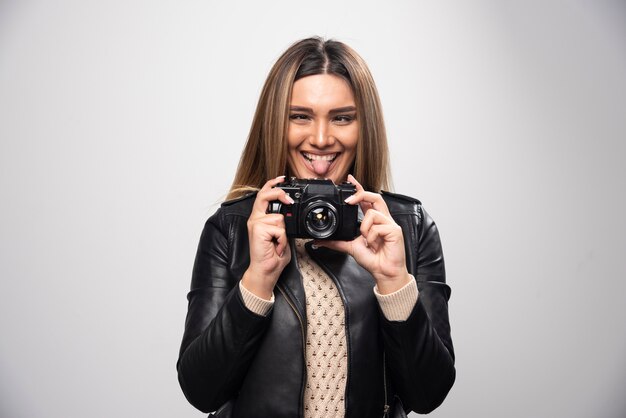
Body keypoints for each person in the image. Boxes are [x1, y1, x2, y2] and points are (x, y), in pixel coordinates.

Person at [177, 37, 455, 418]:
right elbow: (201, 391)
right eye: (300, 116)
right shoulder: (230, 228)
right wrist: (257, 280)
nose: (321, 138)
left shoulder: (407, 226)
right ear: (275, 123)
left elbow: (428, 394)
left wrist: (393, 281)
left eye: (342, 117)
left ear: (363, 126)